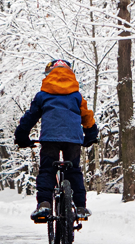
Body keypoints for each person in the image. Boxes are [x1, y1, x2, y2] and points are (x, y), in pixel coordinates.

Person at [15, 59, 99, 221]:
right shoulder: (76, 96)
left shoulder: (42, 96)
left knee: (47, 170)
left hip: (50, 139)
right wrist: (91, 136)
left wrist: (21, 137)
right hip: (73, 140)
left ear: (49, 75)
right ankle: (80, 207)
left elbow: (29, 118)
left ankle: (44, 204)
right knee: (73, 170)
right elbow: (87, 117)